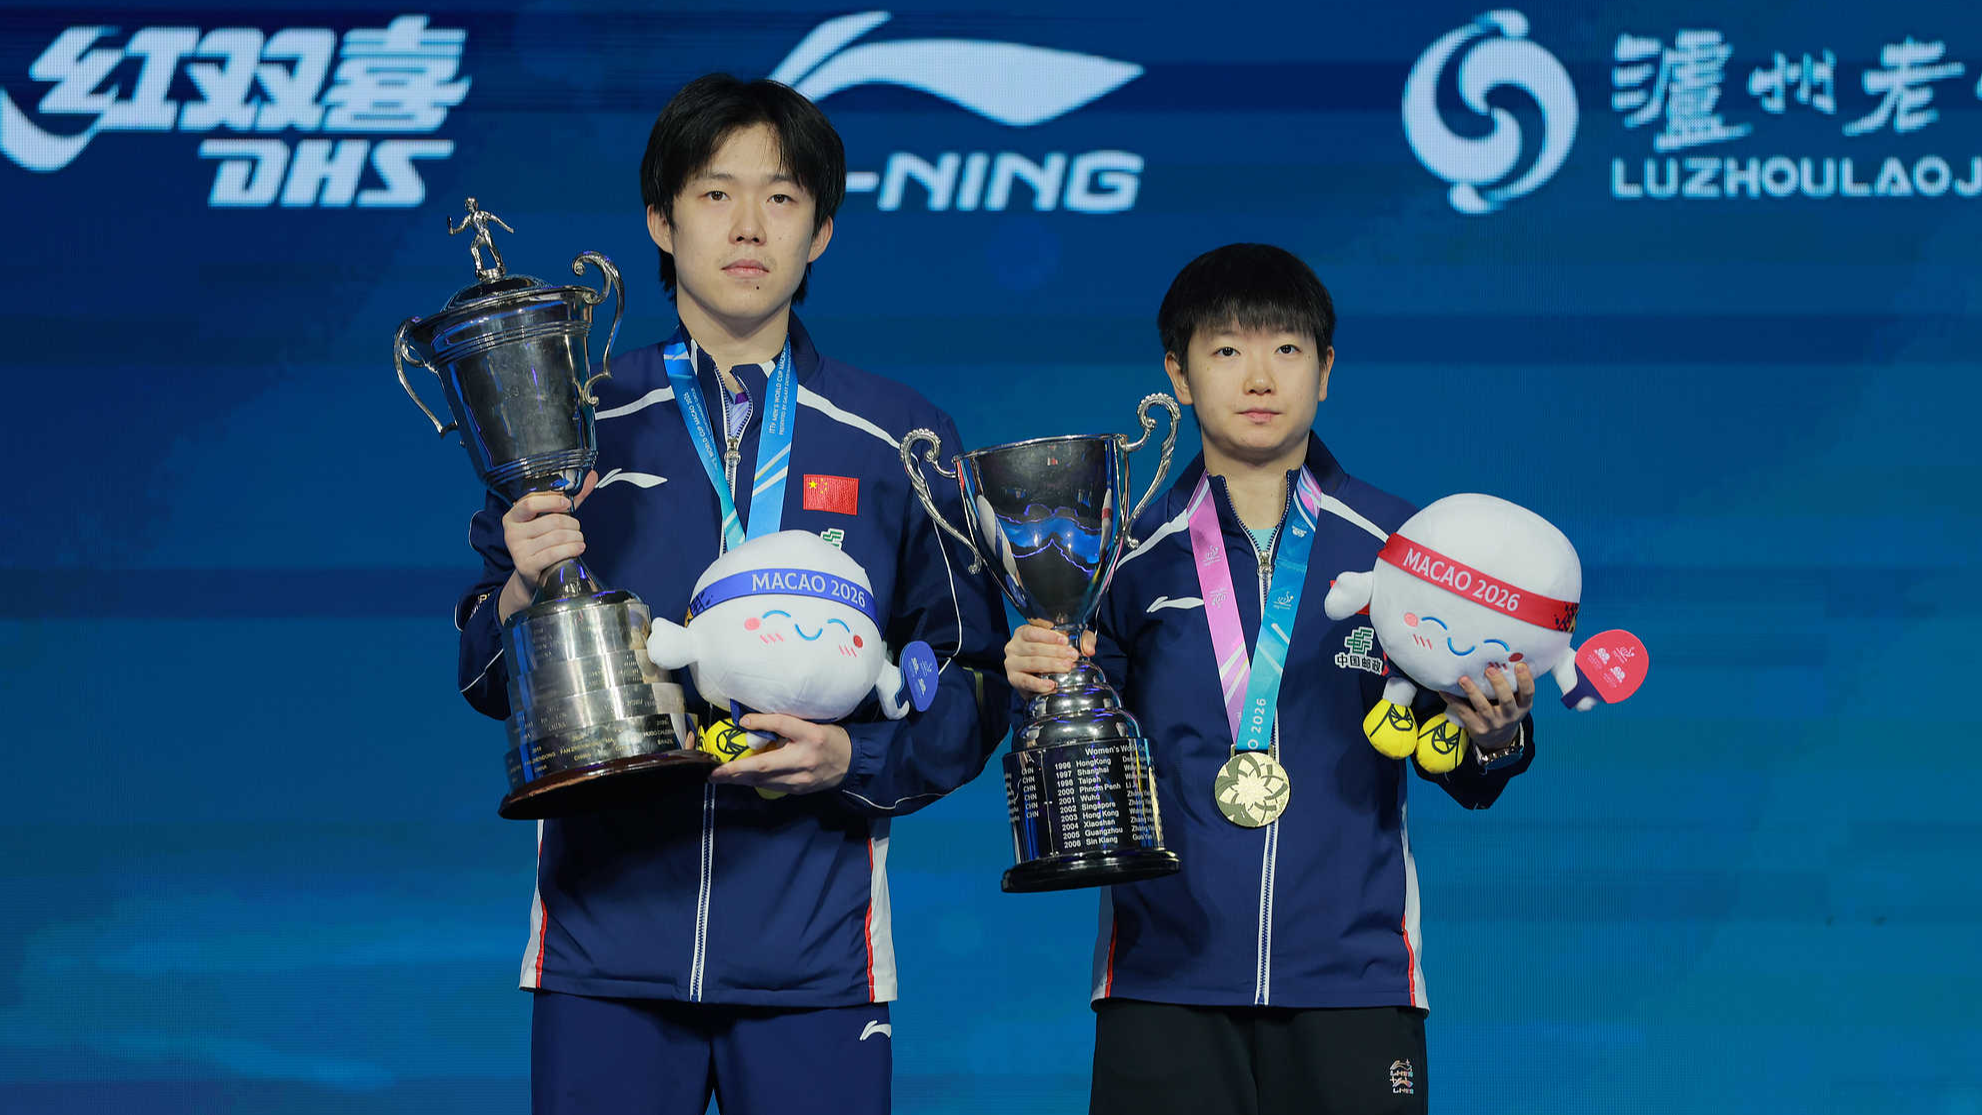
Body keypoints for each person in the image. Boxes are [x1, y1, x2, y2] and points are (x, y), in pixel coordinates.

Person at [455, 74, 1010, 1115]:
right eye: (715, 194)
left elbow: (973, 677)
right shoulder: (574, 418)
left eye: (782, 197)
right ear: (660, 221)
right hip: (600, 947)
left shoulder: (902, 438)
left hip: (816, 954)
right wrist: (525, 587)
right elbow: (486, 676)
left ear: (822, 232)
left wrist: (858, 757)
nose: (748, 225)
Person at [1004, 243, 1537, 1115]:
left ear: (1326, 371)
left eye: (1286, 350)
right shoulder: (1116, 554)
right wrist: (1039, 674)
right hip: (1164, 980)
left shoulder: (1408, 550)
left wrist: (1496, 735)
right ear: (1176, 374)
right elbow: (1075, 747)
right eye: (1226, 351)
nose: (1259, 377)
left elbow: (1472, 769)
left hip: (1355, 982)